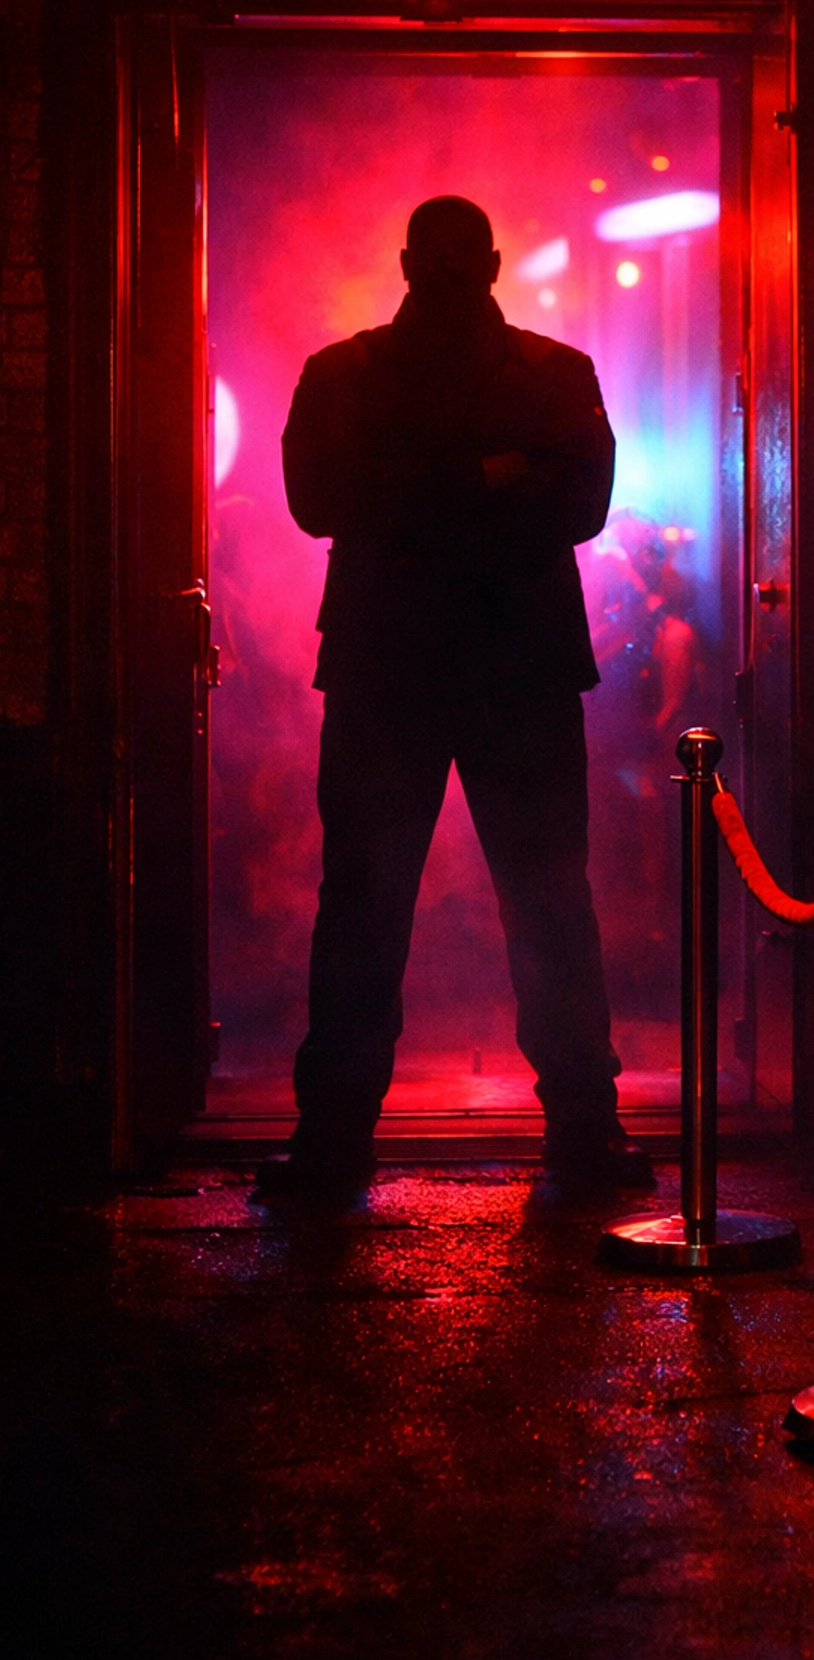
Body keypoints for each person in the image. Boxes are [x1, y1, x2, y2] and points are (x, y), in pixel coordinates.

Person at [258, 194, 651, 1202]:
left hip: (387, 666)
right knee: (547, 901)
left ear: (405, 261)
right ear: (496, 259)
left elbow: (323, 501)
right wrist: (494, 476)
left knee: (364, 909)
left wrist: (408, 491)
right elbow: (576, 504)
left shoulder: (341, 376)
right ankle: (582, 1130)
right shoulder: (558, 377)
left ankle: (336, 1139)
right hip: (516, 667)